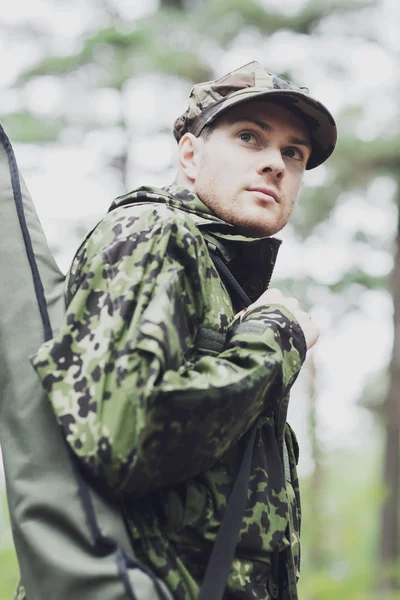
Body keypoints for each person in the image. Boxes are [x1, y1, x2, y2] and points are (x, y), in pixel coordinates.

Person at [31, 61, 337, 599]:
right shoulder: (153, 233)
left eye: (294, 153)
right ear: (191, 156)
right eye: (250, 137)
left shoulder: (219, 273)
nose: (275, 164)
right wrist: (274, 340)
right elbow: (119, 434)